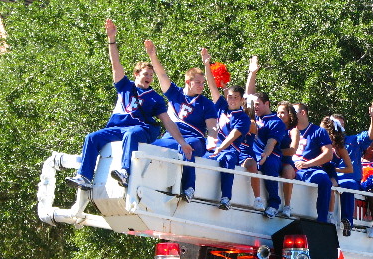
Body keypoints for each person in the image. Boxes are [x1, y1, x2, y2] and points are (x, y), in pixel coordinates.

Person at [67, 19, 193, 190]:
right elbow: (115, 64)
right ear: (136, 74)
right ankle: (85, 177)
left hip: (143, 130)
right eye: (145, 74)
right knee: (92, 137)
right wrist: (111, 39)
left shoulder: (155, 97)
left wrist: (182, 142)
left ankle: (125, 172)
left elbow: (167, 121)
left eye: (151, 75)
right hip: (119, 127)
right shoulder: (125, 86)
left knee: (132, 134)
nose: (149, 77)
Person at [145, 40, 218, 203]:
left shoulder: (206, 104)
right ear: (188, 82)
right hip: (171, 137)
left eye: (203, 83)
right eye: (198, 82)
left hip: (195, 140)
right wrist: (152, 55)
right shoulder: (175, 94)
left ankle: (189, 188)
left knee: (187, 147)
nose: (201, 86)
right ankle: (146, 184)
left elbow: (212, 127)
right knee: (149, 147)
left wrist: (213, 140)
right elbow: (161, 75)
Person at [200, 49, 256, 210]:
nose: (231, 100)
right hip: (214, 148)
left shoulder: (243, 118)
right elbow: (212, 87)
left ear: (241, 99)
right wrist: (206, 64)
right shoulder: (222, 107)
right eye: (230, 97)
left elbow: (232, 136)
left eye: (235, 98)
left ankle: (226, 197)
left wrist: (219, 148)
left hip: (229, 150)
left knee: (229, 160)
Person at [246, 56, 288, 218]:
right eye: (254, 105)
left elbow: (271, 142)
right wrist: (252, 73)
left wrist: (264, 156)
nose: (255, 107)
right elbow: (249, 93)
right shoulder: (253, 116)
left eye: (258, 105)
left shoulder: (276, 121)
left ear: (267, 104)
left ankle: (274, 203)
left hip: (271, 155)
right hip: (253, 153)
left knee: (270, 165)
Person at [337, 101, 373, 235]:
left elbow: (370, 135)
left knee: (348, 185)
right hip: (332, 178)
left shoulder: (353, 140)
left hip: (349, 179)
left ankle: (347, 221)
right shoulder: (323, 141)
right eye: (335, 124)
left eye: (341, 125)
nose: (338, 127)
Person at [290, 105, 334, 223]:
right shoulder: (287, 130)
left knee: (324, 179)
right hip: (288, 166)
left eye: (293, 112)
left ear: (302, 112)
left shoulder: (318, 131)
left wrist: (307, 164)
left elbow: (328, 154)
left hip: (308, 169)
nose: (290, 116)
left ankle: (322, 220)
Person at [320, 115, 354, 225]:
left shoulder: (339, 147)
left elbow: (350, 168)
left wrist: (336, 169)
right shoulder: (317, 142)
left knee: (331, 186)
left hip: (330, 171)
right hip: (317, 168)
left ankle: (330, 214)